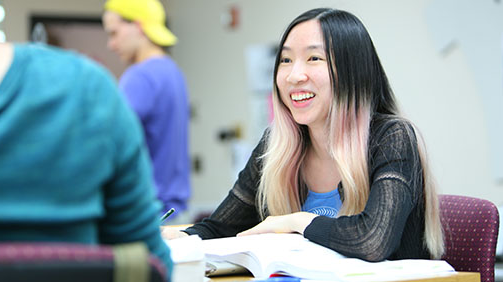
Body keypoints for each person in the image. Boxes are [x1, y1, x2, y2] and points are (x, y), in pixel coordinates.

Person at [163, 7, 445, 261]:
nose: (294, 75)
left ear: (353, 72)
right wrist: (180, 238)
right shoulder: (276, 146)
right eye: (285, 60)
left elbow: (372, 240)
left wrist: (295, 222)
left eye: (314, 58)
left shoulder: (391, 138)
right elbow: (219, 228)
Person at [0, 0, 172, 277]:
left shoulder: (122, 83)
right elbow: (150, 267)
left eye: (113, 34)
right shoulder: (88, 90)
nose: (111, 44)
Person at [102, 0, 191, 220]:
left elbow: (108, 143)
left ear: (139, 26)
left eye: (114, 33)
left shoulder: (139, 77)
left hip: (147, 214)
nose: (111, 44)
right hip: (175, 213)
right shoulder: (172, 71)